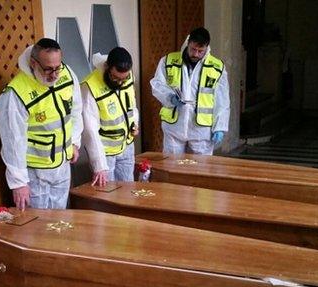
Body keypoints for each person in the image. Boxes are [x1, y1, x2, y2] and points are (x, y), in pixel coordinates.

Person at [0, 38, 83, 210]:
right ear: (33, 63)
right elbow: (13, 141)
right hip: (35, 173)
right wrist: (19, 183)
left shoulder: (66, 74)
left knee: (59, 222)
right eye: (48, 69)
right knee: (37, 227)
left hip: (62, 166)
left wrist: (74, 141)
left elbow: (75, 110)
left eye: (57, 67)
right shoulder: (16, 94)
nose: (54, 75)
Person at [150, 27, 229, 155]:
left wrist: (219, 127)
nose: (196, 54)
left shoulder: (217, 67)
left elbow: (223, 100)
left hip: (201, 129)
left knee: (201, 170)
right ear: (188, 43)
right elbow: (157, 85)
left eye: (200, 51)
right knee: (172, 167)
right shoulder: (168, 61)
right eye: (193, 49)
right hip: (174, 126)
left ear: (207, 48)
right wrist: (170, 98)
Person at [81, 47, 139, 183]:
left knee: (128, 190)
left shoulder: (127, 77)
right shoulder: (90, 87)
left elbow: (132, 104)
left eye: (123, 79)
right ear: (106, 67)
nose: (119, 83)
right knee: (109, 195)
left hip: (127, 145)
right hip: (105, 153)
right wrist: (99, 165)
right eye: (115, 78)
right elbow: (90, 130)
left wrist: (134, 123)